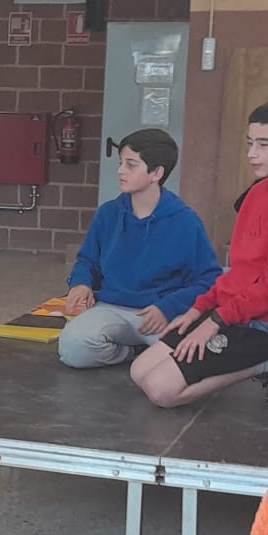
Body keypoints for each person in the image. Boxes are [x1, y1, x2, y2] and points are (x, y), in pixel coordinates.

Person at [131, 98, 268, 412]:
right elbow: (241, 271)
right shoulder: (259, 191)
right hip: (238, 311)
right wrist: (199, 309)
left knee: (161, 390)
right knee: (140, 372)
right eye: (250, 143)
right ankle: (257, 356)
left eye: (264, 144)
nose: (252, 153)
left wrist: (214, 322)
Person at [59, 129, 222, 369]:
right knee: (72, 348)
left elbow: (209, 279)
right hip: (112, 309)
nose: (120, 170)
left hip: (162, 313)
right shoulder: (108, 214)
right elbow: (87, 261)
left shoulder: (185, 221)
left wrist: (168, 307)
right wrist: (81, 283)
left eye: (131, 165)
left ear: (157, 173)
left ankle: (150, 354)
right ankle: (131, 352)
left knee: (191, 357)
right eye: (121, 163)